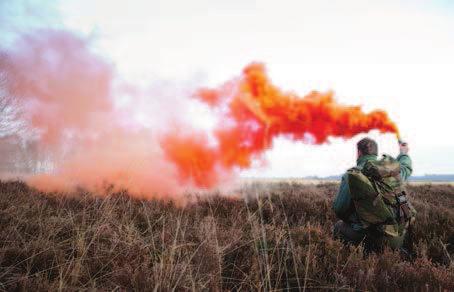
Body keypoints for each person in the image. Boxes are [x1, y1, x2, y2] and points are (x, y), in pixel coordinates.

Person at [332, 137, 413, 252]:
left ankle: (352, 260)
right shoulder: (393, 172)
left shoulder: (353, 175)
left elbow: (339, 209)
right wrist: (403, 153)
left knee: (338, 227)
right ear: (376, 153)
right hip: (398, 237)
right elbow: (406, 167)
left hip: (370, 239)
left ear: (359, 152)